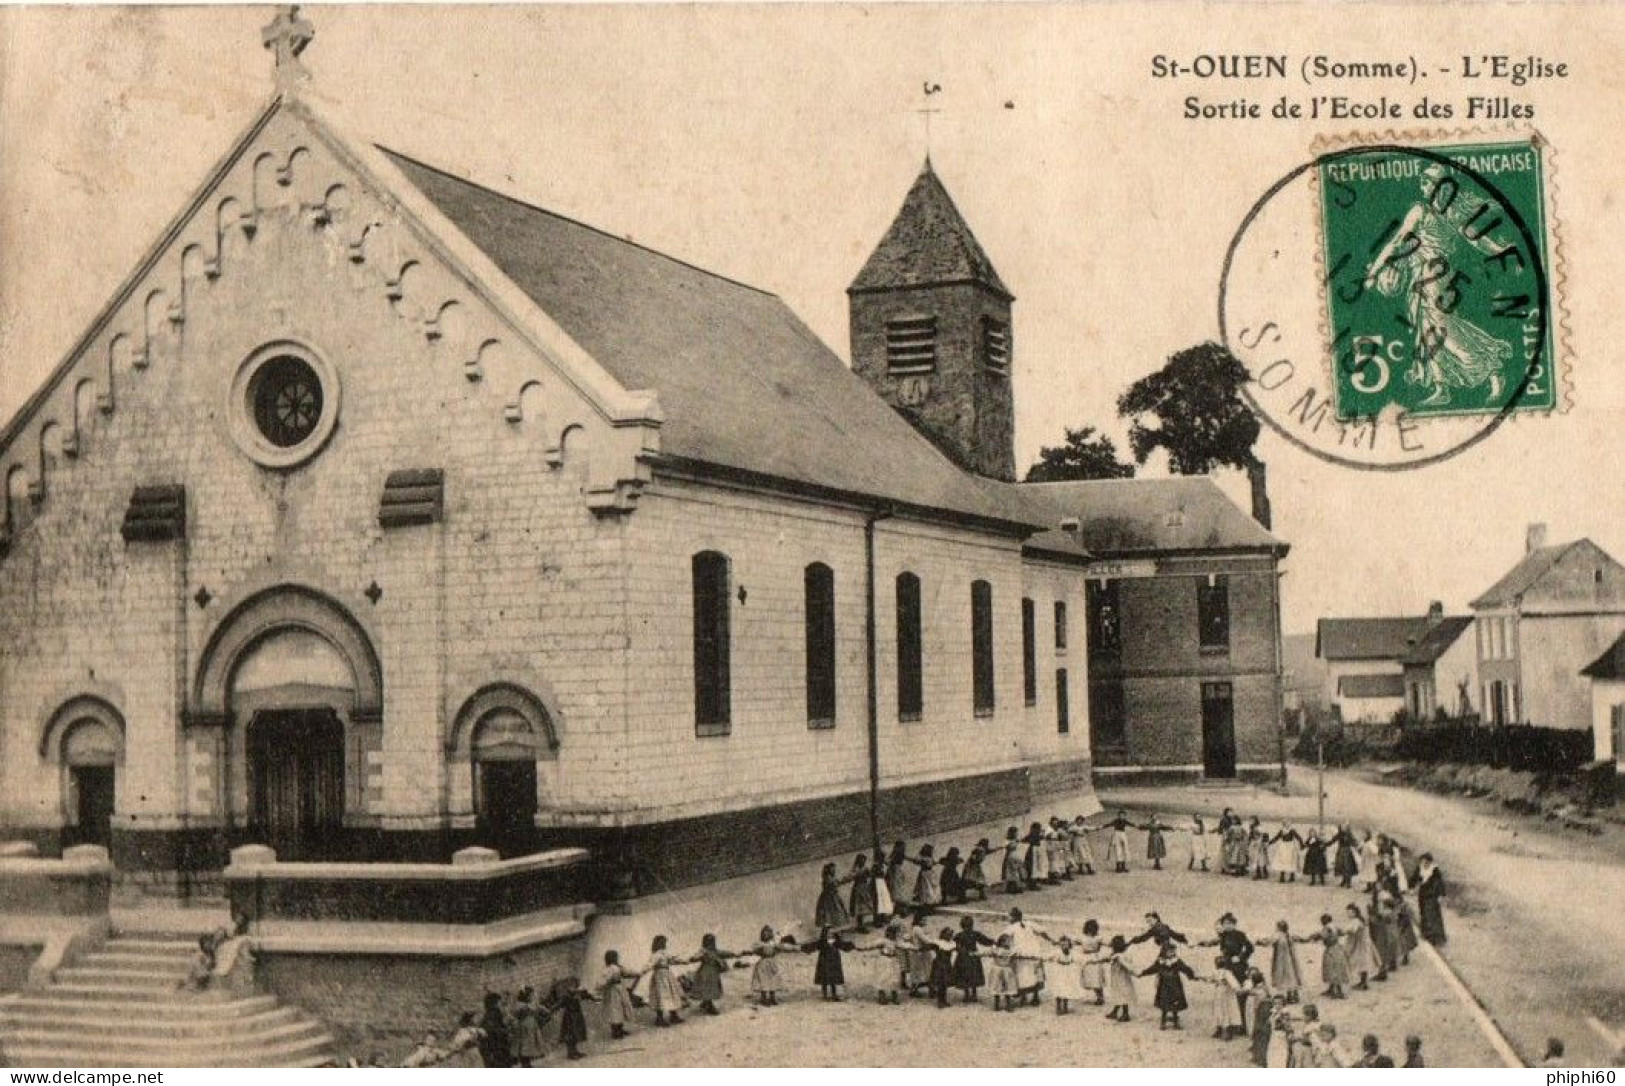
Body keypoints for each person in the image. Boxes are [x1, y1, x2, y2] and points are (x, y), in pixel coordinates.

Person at [1140, 941, 1197, 1030]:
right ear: (1164, 951)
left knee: (1175, 1004)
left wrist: (1192, 975)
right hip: (1165, 986)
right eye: (1170, 951)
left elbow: (1185, 968)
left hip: (1175, 985)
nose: (1173, 953)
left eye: (1173, 951)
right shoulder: (1160, 961)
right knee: (1164, 1005)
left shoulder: (1177, 961)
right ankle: (1163, 1022)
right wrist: (1143, 973)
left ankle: (1175, 1022)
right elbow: (1152, 969)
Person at [1001, 907, 1047, 1006]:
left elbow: (1004, 937)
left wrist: (999, 945)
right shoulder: (1029, 924)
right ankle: (1035, 996)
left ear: (1013, 918)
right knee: (1035, 974)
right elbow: (1042, 932)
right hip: (1034, 951)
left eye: (1010, 917)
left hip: (1022, 953)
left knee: (1021, 975)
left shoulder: (1011, 927)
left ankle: (1023, 996)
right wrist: (1051, 940)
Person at [1257, 920, 1304, 1003]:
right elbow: (1299, 939)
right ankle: (1294, 995)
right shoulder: (1288, 935)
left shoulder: (1278, 935)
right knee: (1292, 976)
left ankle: (1291, 996)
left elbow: (1268, 942)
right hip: (1290, 959)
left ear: (1279, 927)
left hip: (1281, 959)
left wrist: (1259, 942)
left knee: (1284, 976)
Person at [805, 926, 856, 1001]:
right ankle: (825, 995)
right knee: (824, 979)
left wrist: (852, 946)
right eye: (829, 933)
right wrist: (804, 948)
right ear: (825, 933)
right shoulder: (822, 942)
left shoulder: (836, 942)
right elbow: (813, 946)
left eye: (832, 933)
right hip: (824, 962)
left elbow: (844, 945)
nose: (830, 934)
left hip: (834, 963)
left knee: (834, 979)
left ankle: (834, 994)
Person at [1094, 935, 1138, 1022]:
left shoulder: (1121, 956)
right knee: (1117, 994)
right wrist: (1100, 960)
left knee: (1122, 995)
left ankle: (1125, 1014)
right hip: (1118, 978)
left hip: (1122, 979)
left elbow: (1128, 966)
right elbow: (1109, 959)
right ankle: (1115, 1011)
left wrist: (1133, 971)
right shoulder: (1118, 955)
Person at [644, 935, 685, 1026]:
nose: (664, 944)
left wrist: (684, 961)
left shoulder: (665, 953)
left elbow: (672, 960)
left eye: (664, 942)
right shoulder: (656, 955)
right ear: (658, 944)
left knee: (672, 993)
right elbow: (650, 964)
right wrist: (643, 970)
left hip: (668, 976)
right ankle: (659, 1018)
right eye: (662, 942)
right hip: (659, 977)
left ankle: (673, 1015)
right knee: (661, 995)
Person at [1200, 912, 1254, 982]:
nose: (1227, 926)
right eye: (1225, 924)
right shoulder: (1223, 936)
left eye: (1230, 923)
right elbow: (1211, 942)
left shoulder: (1240, 935)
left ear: (1234, 924)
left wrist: (1240, 957)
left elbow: (1250, 948)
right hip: (1227, 964)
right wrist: (1198, 943)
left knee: (1238, 984)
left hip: (1238, 965)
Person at [689, 933, 734, 1016]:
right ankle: (709, 1005)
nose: (711, 943)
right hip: (705, 972)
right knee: (708, 988)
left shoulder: (715, 951)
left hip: (713, 973)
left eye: (712, 941)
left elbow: (725, 953)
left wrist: (733, 954)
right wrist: (694, 958)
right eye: (709, 941)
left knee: (710, 988)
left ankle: (705, 1002)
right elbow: (696, 957)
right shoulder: (703, 951)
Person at [951, 915, 993, 1003]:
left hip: (963, 958)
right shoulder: (975, 934)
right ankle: (973, 995)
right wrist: (994, 942)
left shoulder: (959, 935)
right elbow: (985, 941)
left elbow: (954, 944)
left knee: (965, 976)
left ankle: (967, 995)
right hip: (973, 957)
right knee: (973, 975)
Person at [1308, 914, 1351, 999]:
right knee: (1336, 969)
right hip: (1338, 948)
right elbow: (1342, 933)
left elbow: (1322, 935)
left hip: (1331, 950)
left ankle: (1338, 992)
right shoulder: (1334, 926)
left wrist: (1311, 937)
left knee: (1332, 969)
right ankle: (1332, 989)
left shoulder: (1327, 928)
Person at [1342, 903, 1383, 991]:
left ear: (1355, 913)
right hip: (1362, 942)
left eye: (1350, 912)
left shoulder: (1356, 921)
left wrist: (1343, 931)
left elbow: (1352, 929)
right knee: (1362, 962)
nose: (1348, 914)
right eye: (1347, 912)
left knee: (1361, 962)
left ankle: (1364, 983)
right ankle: (1363, 982)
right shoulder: (1358, 920)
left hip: (1361, 944)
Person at [1202, 956, 1245, 1039]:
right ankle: (1220, 1029)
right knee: (1222, 1009)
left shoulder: (1225, 973)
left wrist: (1237, 989)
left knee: (1223, 1010)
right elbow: (1212, 979)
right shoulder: (1222, 972)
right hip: (1221, 992)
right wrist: (1238, 989)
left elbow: (1232, 983)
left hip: (1225, 993)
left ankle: (1225, 1030)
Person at [748, 926, 790, 1007]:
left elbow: (781, 948)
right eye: (764, 934)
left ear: (771, 934)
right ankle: (763, 998)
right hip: (762, 963)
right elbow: (754, 949)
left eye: (768, 933)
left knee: (773, 980)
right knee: (763, 981)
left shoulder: (774, 943)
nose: (766, 935)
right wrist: (763, 947)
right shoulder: (759, 944)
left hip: (772, 963)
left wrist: (776, 945)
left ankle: (772, 998)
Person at [597, 950, 636, 1038]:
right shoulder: (610, 969)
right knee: (615, 1010)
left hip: (619, 989)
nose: (616, 958)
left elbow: (626, 973)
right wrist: (600, 986)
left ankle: (620, 1029)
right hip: (613, 991)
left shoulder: (617, 967)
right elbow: (605, 979)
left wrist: (637, 973)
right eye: (615, 957)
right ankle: (615, 1032)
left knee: (621, 1008)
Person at [1044, 935, 1086, 1015]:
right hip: (1059, 972)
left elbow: (1081, 959)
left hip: (1069, 973)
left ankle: (1065, 1006)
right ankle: (1058, 1007)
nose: (1064, 946)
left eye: (1066, 944)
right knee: (1059, 989)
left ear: (1069, 944)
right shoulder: (1057, 952)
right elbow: (1047, 956)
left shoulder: (1072, 953)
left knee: (1067, 989)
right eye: (1062, 945)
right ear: (1060, 945)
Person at [552, 977, 590, 1061]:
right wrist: (552, 1009)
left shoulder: (577, 993)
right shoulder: (565, 996)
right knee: (570, 1035)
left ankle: (575, 1051)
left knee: (576, 1034)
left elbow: (586, 996)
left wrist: (590, 995)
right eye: (571, 986)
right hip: (569, 1017)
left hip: (577, 1015)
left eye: (575, 985)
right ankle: (570, 1053)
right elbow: (559, 1004)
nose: (574, 988)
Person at [510, 987, 547, 1067]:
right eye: (530, 995)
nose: (532, 996)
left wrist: (542, 1009)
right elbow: (516, 1014)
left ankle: (528, 1064)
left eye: (532, 995)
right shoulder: (520, 1005)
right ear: (526, 996)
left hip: (531, 1026)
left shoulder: (531, 1003)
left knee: (530, 1045)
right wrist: (527, 1009)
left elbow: (537, 1007)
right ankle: (525, 1064)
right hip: (524, 1028)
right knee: (525, 1046)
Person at [1416, 853, 1448, 945]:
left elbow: (1440, 884)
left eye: (1425, 862)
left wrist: (1442, 895)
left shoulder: (1435, 871)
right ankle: (1426, 934)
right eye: (1422, 862)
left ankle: (1437, 938)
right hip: (1422, 896)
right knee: (1424, 915)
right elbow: (1415, 879)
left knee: (1433, 917)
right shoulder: (1420, 869)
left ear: (1429, 862)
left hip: (1432, 897)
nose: (1424, 864)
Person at [476, 991, 512, 1067]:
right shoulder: (492, 1014)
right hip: (496, 1047)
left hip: (496, 1047)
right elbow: (493, 1030)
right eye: (499, 1002)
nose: (500, 1004)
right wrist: (506, 1031)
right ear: (494, 1003)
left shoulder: (492, 1014)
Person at [814, 862, 851, 930]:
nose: (834, 871)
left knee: (832, 918)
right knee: (829, 917)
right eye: (832, 869)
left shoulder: (830, 878)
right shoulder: (828, 879)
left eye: (834, 869)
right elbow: (835, 883)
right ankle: (829, 935)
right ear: (829, 870)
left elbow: (838, 882)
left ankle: (832, 934)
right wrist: (846, 879)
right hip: (828, 900)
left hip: (832, 898)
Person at [987, 934, 1019, 1013]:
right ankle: (997, 1005)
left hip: (1003, 970)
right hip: (1001, 969)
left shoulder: (1005, 951)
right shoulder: (1002, 951)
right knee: (999, 988)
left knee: (1006, 988)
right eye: (1007, 941)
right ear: (1001, 942)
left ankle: (1007, 1005)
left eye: (1009, 941)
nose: (1009, 943)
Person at [1078, 919, 1107, 1005]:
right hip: (1087, 958)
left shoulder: (1098, 938)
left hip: (1095, 957)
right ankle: (1099, 997)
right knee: (1092, 978)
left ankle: (1100, 997)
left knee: (1097, 979)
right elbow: (1073, 941)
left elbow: (1107, 943)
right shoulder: (1083, 937)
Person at [847, 853, 878, 931]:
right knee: (859, 908)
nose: (863, 862)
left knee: (864, 907)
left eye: (864, 860)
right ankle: (860, 926)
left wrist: (872, 871)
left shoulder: (865, 868)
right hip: (858, 889)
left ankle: (862, 925)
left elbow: (869, 875)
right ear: (858, 861)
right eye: (861, 860)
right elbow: (851, 876)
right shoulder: (856, 869)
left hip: (864, 888)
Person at [907, 843, 942, 910]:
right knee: (927, 888)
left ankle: (930, 901)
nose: (931, 851)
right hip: (926, 874)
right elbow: (915, 861)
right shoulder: (923, 858)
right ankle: (928, 902)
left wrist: (938, 861)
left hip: (928, 873)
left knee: (930, 887)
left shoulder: (927, 858)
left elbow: (933, 863)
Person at [1332, 824, 1360, 888]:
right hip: (1341, 851)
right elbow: (1332, 840)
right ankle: (1344, 880)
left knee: (1348, 867)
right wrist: (1324, 845)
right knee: (1341, 866)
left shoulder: (1349, 834)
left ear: (1347, 828)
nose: (1343, 828)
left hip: (1347, 852)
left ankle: (1348, 882)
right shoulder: (1339, 834)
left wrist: (1357, 846)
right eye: (1342, 827)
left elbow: (1354, 842)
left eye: (1345, 827)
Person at [1000, 827, 1026, 893]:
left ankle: (1016, 886)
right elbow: (1008, 848)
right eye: (1015, 833)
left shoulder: (1015, 840)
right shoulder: (1007, 841)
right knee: (1012, 872)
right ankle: (1013, 887)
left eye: (1016, 833)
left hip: (1015, 855)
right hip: (1010, 856)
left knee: (1017, 872)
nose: (1016, 834)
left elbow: (1020, 841)